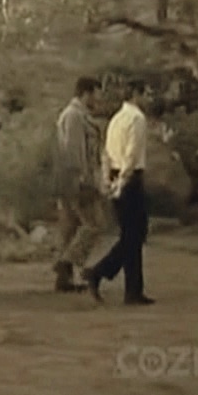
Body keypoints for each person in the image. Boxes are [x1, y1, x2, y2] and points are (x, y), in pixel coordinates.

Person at [82, 79, 155, 305]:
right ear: (137, 94)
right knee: (135, 233)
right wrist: (123, 182)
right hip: (129, 178)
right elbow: (131, 155)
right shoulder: (136, 119)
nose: (149, 98)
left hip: (115, 174)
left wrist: (108, 179)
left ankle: (133, 289)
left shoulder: (116, 119)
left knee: (130, 234)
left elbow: (106, 152)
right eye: (146, 93)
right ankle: (100, 271)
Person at [51, 77, 105, 293]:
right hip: (77, 181)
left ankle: (63, 279)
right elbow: (74, 152)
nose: (99, 99)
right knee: (94, 224)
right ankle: (67, 262)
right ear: (87, 93)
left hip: (69, 181)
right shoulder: (74, 116)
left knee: (70, 228)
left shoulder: (77, 115)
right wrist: (83, 179)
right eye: (97, 93)